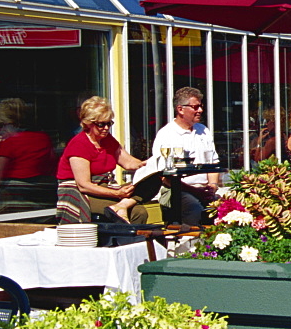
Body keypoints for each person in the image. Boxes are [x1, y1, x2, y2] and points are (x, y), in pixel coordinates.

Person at [57, 96, 153, 224]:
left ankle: (122, 206)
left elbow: (129, 162)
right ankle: (123, 239)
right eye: (101, 124)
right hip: (80, 192)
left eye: (109, 123)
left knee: (153, 180)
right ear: (88, 123)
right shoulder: (79, 144)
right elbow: (84, 185)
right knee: (137, 212)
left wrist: (151, 165)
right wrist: (118, 193)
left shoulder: (107, 140)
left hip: (107, 186)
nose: (106, 128)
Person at [152, 87, 220, 225]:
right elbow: (165, 176)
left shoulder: (203, 131)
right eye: (195, 107)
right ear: (180, 109)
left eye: (201, 106)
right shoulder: (167, 135)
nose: (200, 110)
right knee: (195, 210)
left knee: (232, 208)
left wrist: (212, 186)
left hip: (205, 189)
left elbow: (213, 163)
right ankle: (191, 244)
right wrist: (196, 191)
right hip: (176, 190)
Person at [0, 98, 56, 214]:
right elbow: (50, 163)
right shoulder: (43, 138)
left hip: (15, 195)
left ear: (12, 123)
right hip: (42, 195)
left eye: (2, 125)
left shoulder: (9, 143)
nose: (0, 131)